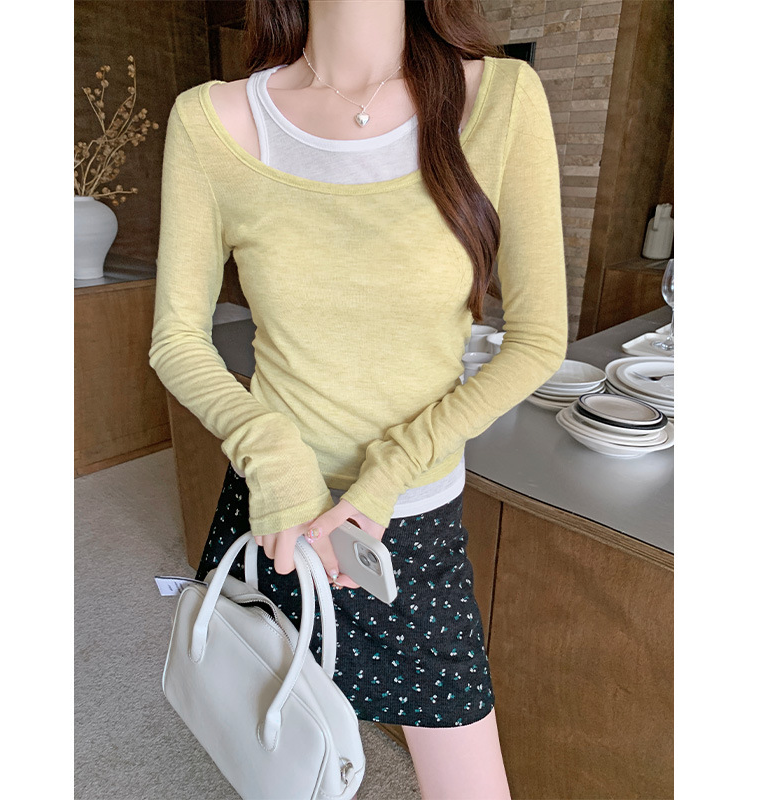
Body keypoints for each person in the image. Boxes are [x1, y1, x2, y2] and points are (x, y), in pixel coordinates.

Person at [149, 1, 568, 797]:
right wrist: (273, 456)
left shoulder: (503, 101)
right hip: (276, 512)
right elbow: (177, 338)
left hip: (408, 523)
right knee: (275, 756)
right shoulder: (213, 121)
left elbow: (539, 338)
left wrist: (390, 474)